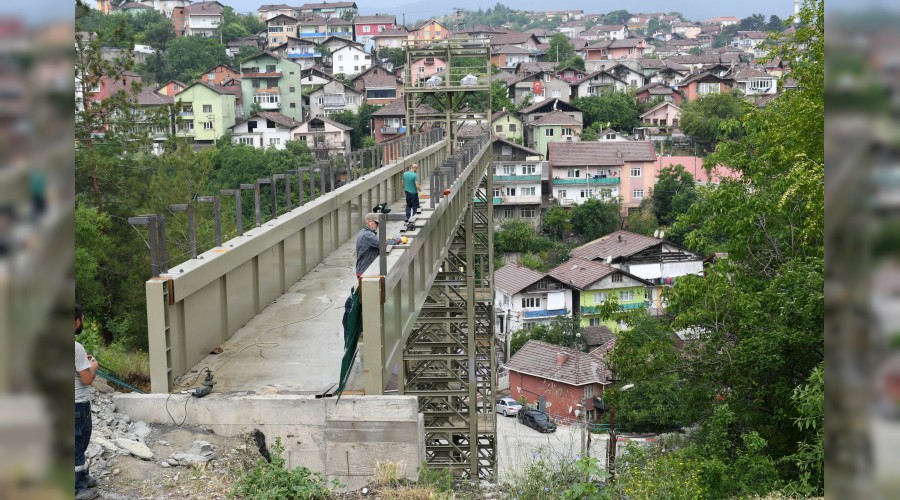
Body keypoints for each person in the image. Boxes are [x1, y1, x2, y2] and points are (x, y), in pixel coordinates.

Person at [75, 303, 100, 499]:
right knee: (78, 444)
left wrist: (84, 362)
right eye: (82, 318)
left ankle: (82, 477)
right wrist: (93, 366)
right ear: (76, 322)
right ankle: (78, 488)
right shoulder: (76, 347)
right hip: (77, 405)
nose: (82, 322)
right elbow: (87, 379)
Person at [355, 213, 381, 278]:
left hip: (364, 269)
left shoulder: (366, 233)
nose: (377, 225)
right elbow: (382, 243)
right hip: (365, 271)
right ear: (370, 222)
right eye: (376, 223)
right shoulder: (367, 235)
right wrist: (396, 240)